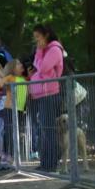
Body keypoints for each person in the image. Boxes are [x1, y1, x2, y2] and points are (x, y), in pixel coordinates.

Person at [29, 24, 66, 171]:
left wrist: (39, 52)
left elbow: (43, 68)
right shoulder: (44, 51)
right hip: (42, 94)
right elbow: (37, 65)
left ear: (46, 35)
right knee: (44, 129)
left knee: (48, 129)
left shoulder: (54, 50)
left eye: (38, 37)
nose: (36, 40)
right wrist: (39, 52)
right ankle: (45, 162)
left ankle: (51, 163)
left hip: (50, 95)